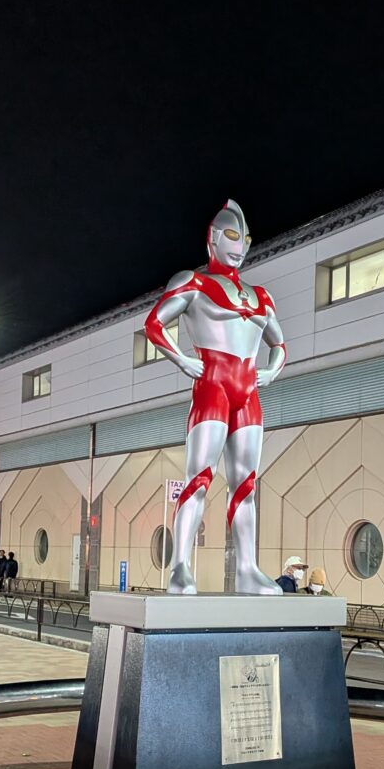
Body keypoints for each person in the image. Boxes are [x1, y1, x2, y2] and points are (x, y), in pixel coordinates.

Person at [144, 200, 287, 595]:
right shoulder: (193, 282)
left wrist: (272, 370)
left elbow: (279, 344)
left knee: (245, 484)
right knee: (199, 479)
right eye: (232, 236)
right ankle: (180, 567)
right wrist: (182, 359)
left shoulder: (261, 296)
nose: (240, 246)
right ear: (213, 238)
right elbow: (154, 324)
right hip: (212, 386)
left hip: (248, 392)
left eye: (246, 238)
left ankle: (247, 569)